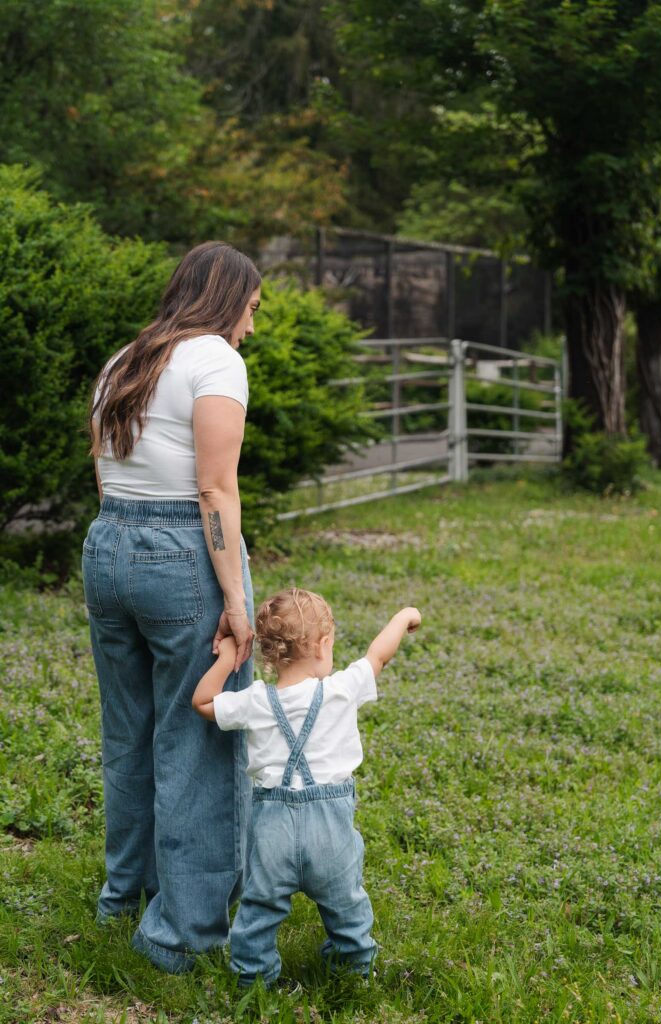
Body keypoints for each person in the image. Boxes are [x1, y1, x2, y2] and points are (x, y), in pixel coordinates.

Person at [82, 241, 261, 974]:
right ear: (226, 302)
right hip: (181, 555)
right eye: (251, 308)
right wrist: (235, 599)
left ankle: (125, 894)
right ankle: (180, 933)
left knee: (131, 733)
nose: (251, 325)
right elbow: (215, 491)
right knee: (199, 740)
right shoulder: (215, 360)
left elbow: (105, 474)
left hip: (108, 546)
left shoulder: (126, 359)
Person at [192, 587, 422, 988]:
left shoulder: (256, 701)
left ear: (269, 652)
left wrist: (228, 658)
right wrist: (403, 617)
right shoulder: (341, 689)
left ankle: (255, 979)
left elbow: (203, 702)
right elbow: (378, 655)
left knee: (259, 909)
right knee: (347, 904)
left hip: (272, 833)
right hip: (330, 831)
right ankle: (352, 972)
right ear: (324, 645)